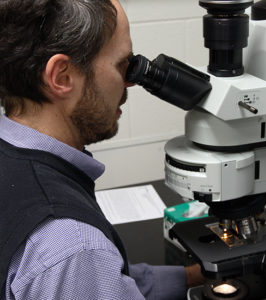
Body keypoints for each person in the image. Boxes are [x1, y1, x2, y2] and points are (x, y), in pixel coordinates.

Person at [0, 0, 205, 299]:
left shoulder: (13, 157)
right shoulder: (73, 247)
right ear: (61, 76)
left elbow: (105, 280)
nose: (131, 82)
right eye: (124, 64)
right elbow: (84, 269)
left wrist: (191, 277)